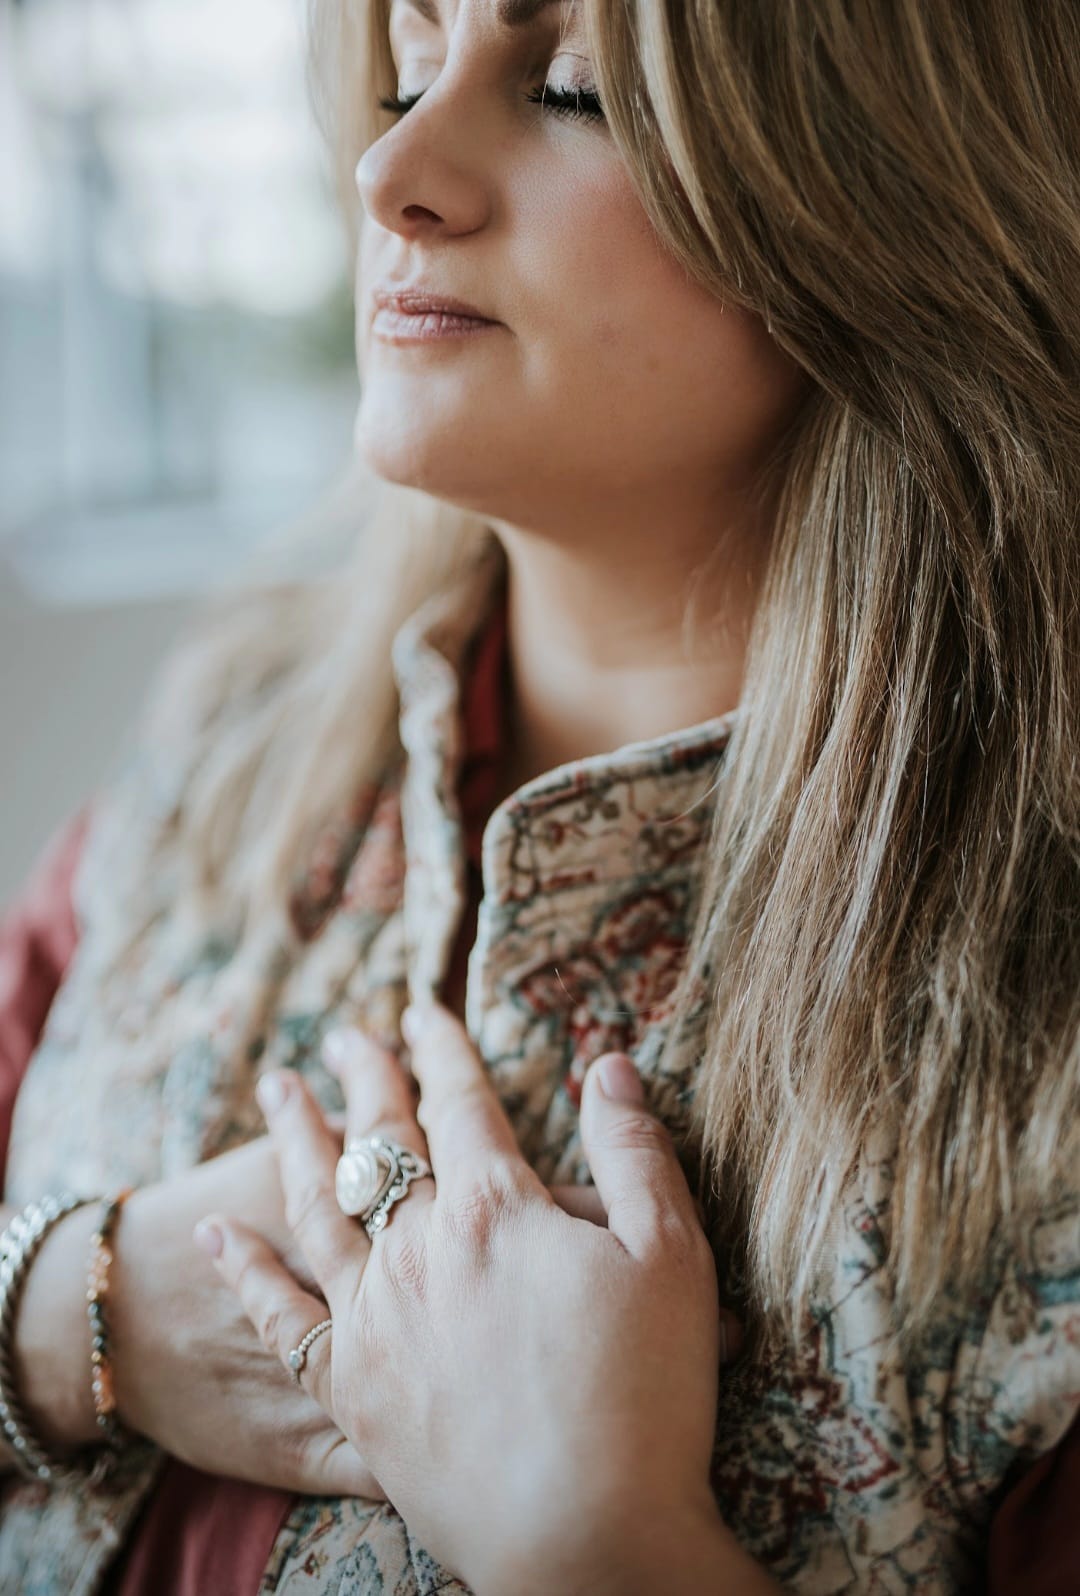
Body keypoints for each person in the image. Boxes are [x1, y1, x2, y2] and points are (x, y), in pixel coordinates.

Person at [0, 0, 1078, 1591]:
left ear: (894, 184)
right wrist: (74, 1313)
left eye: (575, 89)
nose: (392, 170)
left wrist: (600, 1546)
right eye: (406, 64)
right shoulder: (224, 745)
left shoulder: (1044, 1064)